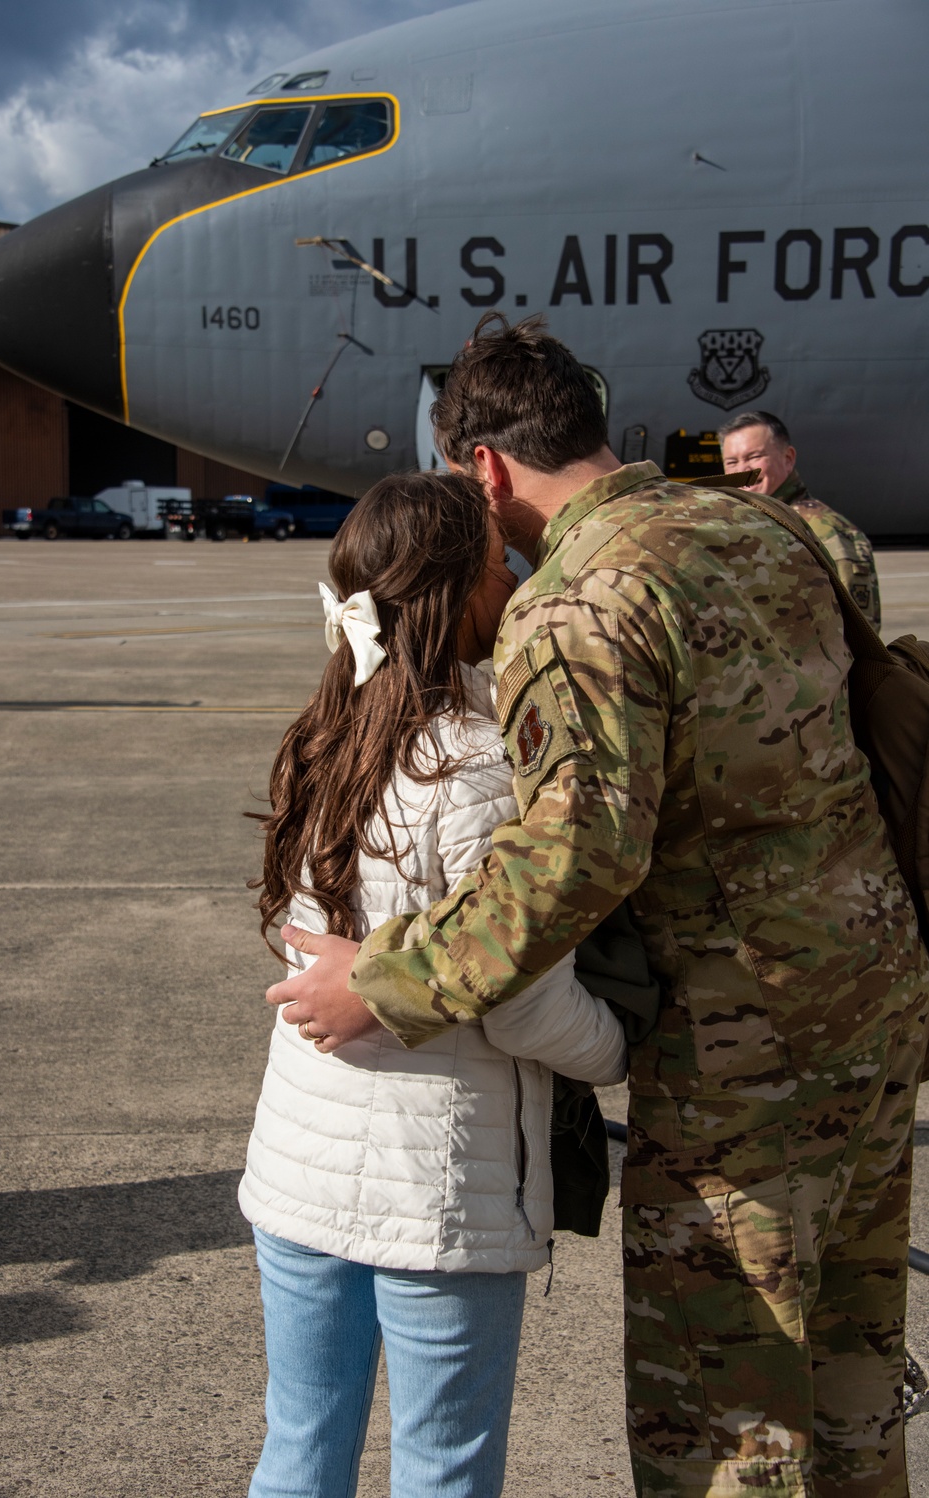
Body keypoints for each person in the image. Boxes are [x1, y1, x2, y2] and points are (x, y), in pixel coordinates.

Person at [269, 317, 929, 1497]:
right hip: (878, 1008)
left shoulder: (576, 603)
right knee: (853, 1381)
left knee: (726, 1423)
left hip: (747, 1062)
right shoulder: (769, 524)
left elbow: (572, 858)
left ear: (481, 468)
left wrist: (379, 980)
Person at [240, 470, 627, 1498]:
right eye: (499, 564)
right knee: (444, 1470)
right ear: (458, 594)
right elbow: (518, 996)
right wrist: (618, 1047)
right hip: (436, 1197)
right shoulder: (483, 770)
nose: (515, 579)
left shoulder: (323, 736)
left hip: (297, 1174)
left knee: (298, 1448)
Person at [719, 408, 881, 630]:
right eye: (731, 462)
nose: (742, 470)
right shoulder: (743, 524)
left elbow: (861, 632)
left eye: (754, 457)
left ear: (788, 458)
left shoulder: (822, 529)